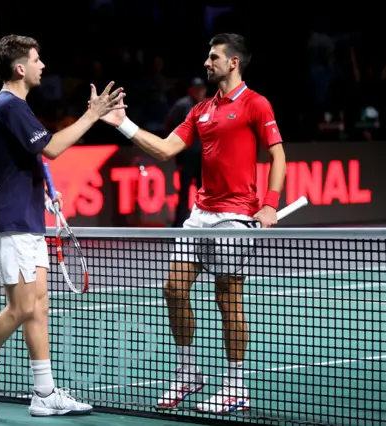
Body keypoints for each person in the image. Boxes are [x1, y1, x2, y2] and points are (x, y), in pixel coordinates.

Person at [97, 33, 286, 414]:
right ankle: (188, 372)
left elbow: (278, 156)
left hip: (236, 214)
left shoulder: (256, 104)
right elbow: (166, 149)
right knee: (173, 288)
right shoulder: (200, 110)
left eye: (214, 57)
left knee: (226, 298)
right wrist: (122, 123)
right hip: (201, 214)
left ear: (233, 62)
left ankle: (235, 387)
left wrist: (269, 205)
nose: (207, 62)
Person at [0, 34, 125, 419]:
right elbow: (54, 149)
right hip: (11, 222)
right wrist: (92, 114)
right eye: (37, 60)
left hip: (26, 217)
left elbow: (23, 160)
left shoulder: (13, 109)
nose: (44, 65)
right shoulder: (10, 105)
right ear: (20, 68)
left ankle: (44, 393)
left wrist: (43, 193)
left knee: (38, 306)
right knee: (21, 306)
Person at [164, 77, 207, 227]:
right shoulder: (181, 106)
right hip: (186, 157)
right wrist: (177, 148)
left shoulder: (208, 105)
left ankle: (205, 224)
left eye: (201, 89)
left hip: (205, 159)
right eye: (196, 90)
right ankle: (179, 225)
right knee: (184, 193)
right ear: (191, 91)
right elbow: (169, 126)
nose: (199, 93)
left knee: (204, 193)